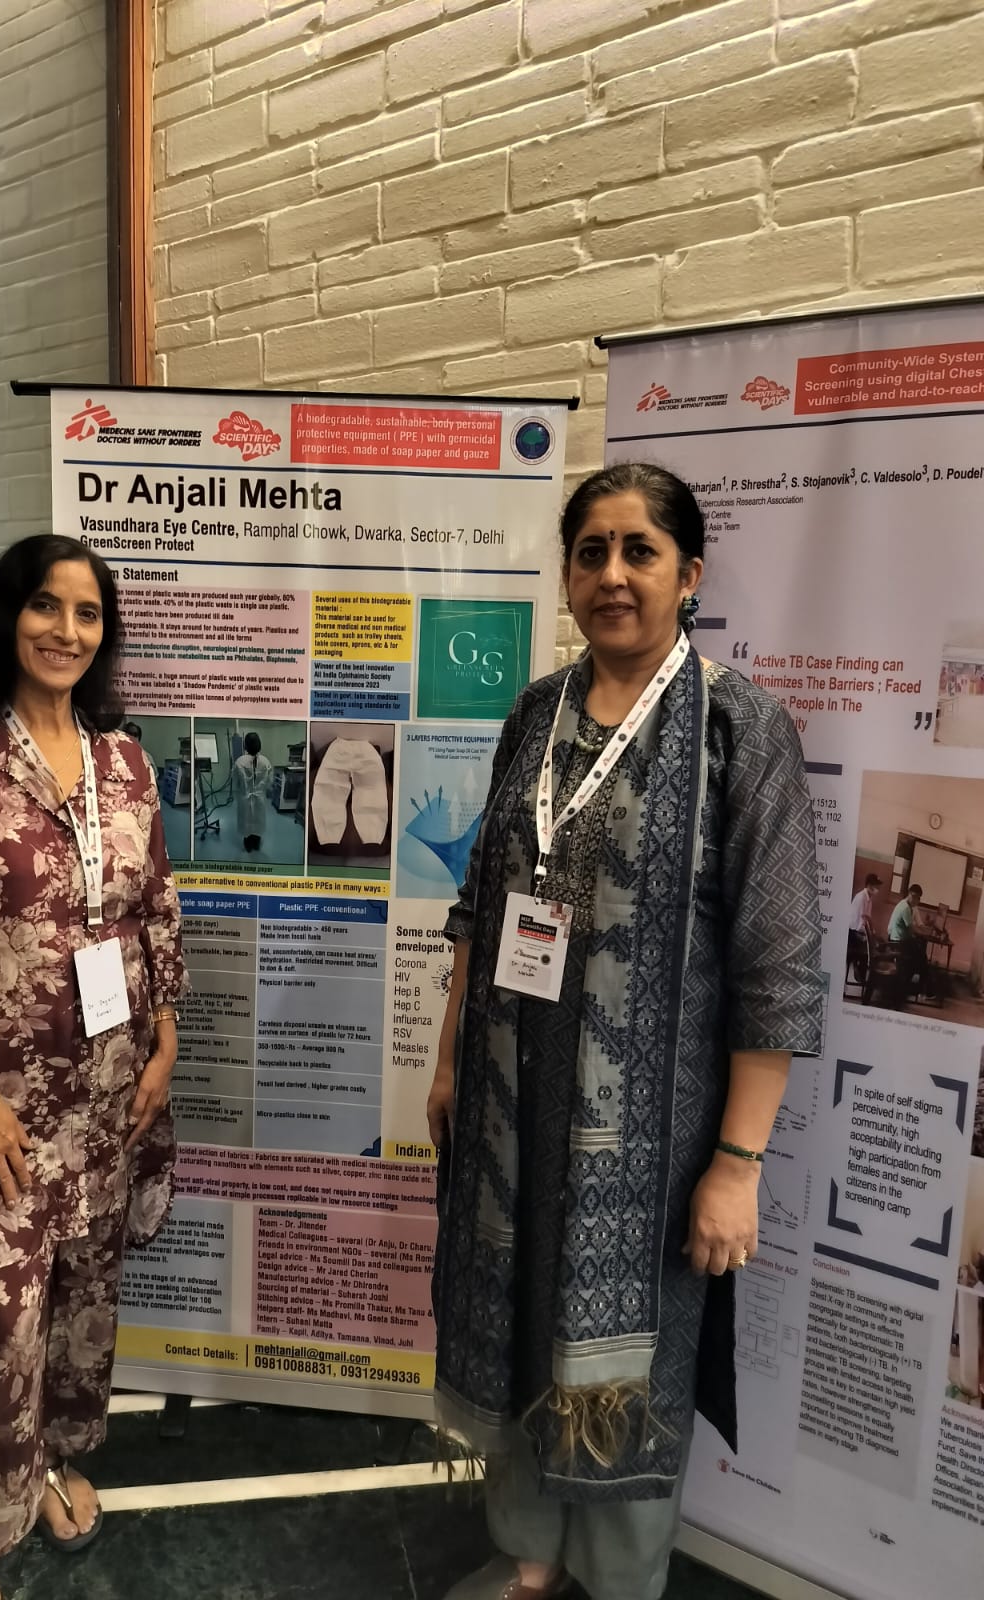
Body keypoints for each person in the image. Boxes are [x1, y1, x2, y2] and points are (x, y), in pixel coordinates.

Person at [427, 463, 823, 1600]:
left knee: (621, 1364)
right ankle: (533, 1557)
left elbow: (780, 969)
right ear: (566, 574)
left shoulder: (740, 732)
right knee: (512, 1329)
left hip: (648, 1150)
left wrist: (738, 1165)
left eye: (639, 551)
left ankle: (616, 1578)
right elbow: (481, 904)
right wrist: (454, 1056)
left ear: (689, 575)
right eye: (591, 550)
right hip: (510, 1118)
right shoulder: (533, 717)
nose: (612, 575)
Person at [0, 535, 186, 1600]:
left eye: (89, 614)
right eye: (46, 608)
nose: (67, 631)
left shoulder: (123, 760)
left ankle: (57, 1455)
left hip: (106, 1093)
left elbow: (154, 906)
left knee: (82, 1299)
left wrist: (165, 1034)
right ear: (8, 616)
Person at [887, 882, 929, 1001]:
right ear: (910, 894)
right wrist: (925, 933)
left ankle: (915, 987)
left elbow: (911, 930)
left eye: (919, 898)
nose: (917, 901)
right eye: (916, 897)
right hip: (898, 942)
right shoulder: (905, 907)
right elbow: (912, 929)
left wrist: (922, 933)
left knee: (921, 955)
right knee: (921, 957)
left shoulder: (906, 905)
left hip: (900, 940)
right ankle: (921, 990)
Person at [233, 729, 271, 852]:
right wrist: (260, 790)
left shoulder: (239, 761)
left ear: (246, 746)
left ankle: (248, 844)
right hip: (259, 798)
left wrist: (242, 790)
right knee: (258, 820)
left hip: (244, 798)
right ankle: (256, 842)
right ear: (259, 744)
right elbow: (269, 781)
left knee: (246, 820)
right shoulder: (266, 762)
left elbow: (236, 782)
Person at [847, 872, 882, 985]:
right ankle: (860, 975)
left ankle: (862, 974)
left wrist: (873, 933)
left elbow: (868, 919)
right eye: (876, 886)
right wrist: (868, 937)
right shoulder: (861, 897)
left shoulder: (869, 899)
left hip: (860, 931)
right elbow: (861, 923)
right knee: (868, 951)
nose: (877, 889)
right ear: (869, 885)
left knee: (877, 943)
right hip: (852, 933)